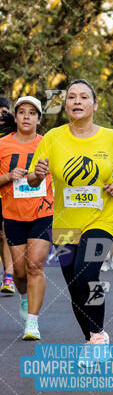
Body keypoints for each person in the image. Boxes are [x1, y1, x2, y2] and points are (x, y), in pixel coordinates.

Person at [28, 79, 113, 352]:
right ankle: (92, 337)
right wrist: (37, 174)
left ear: (94, 105)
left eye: (83, 97)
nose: (77, 101)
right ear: (65, 106)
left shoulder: (111, 137)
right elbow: (31, 177)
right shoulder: (52, 138)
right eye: (71, 97)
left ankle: (97, 337)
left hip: (101, 219)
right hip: (64, 223)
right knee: (74, 285)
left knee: (87, 274)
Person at [0, 96, 54, 340]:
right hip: (13, 214)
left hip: (43, 213)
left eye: (32, 113)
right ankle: (24, 297)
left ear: (38, 119)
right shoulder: (2, 145)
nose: (26, 116)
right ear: (16, 116)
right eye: (22, 112)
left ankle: (32, 323)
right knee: (20, 273)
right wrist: (10, 176)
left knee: (35, 265)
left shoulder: (49, 145)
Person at [0, 97, 17, 294]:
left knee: (5, 235)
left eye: (4, 111)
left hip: (9, 192)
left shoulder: (15, 132)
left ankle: (9, 277)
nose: (1, 115)